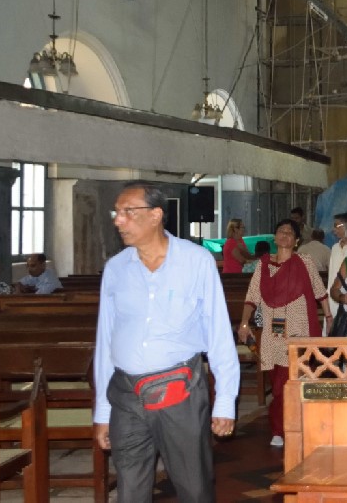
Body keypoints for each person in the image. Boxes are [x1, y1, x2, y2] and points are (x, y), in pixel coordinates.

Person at [94, 181, 239, 501]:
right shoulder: (116, 269)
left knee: (193, 488)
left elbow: (218, 333)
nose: (119, 220)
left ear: (156, 215)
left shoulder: (196, 260)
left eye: (128, 212)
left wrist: (225, 400)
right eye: (116, 213)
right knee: (130, 491)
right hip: (126, 395)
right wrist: (103, 411)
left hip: (180, 391)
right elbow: (105, 340)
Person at [238, 219, 331, 447]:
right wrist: (244, 322)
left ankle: (300, 425)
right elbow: (252, 296)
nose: (285, 235)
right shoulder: (263, 265)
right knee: (278, 383)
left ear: (296, 240)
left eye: (290, 232)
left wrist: (329, 317)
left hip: (301, 328)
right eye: (281, 231)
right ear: (275, 237)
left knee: (298, 378)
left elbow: (320, 291)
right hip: (274, 331)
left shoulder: (305, 262)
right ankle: (278, 429)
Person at [326, 213, 347, 292]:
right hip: (334, 293)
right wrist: (329, 292)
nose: (334, 229)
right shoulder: (335, 247)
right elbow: (331, 272)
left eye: (336, 226)